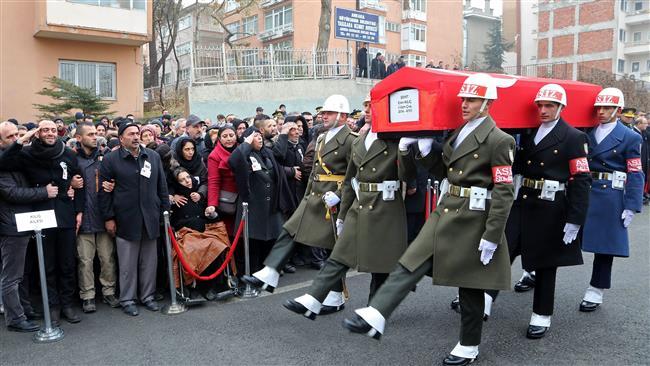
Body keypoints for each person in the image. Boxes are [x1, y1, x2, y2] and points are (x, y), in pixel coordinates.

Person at [343, 73, 516, 366]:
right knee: (412, 257)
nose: (464, 104)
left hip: (475, 216)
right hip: (447, 207)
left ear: (487, 103)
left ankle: (469, 344)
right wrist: (424, 153)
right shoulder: (458, 132)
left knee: (471, 284)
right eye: (464, 99)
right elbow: (445, 171)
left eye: (472, 100)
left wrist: (492, 234)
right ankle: (378, 311)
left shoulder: (500, 139)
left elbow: (504, 190)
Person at [480, 84, 592, 338]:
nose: (543, 110)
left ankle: (541, 315)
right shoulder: (529, 133)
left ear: (561, 108)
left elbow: (582, 179)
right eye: (540, 105)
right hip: (524, 200)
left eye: (549, 106)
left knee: (545, 264)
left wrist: (575, 219)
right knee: (502, 248)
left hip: (552, 206)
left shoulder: (574, 137)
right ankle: (485, 298)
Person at [284, 97, 408, 319]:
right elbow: (352, 179)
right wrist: (342, 215)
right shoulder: (360, 141)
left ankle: (375, 309)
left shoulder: (394, 140)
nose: (367, 110)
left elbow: (408, 176)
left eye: (372, 106)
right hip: (359, 205)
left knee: (380, 261)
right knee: (340, 253)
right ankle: (315, 297)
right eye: (366, 106)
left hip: (385, 205)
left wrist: (408, 150)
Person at [241, 95, 357, 312]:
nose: (323, 116)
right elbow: (314, 171)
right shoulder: (322, 138)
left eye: (329, 113)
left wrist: (341, 194)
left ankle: (335, 296)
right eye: (323, 112)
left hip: (333, 199)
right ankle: (271, 271)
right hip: (315, 196)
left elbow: (356, 173)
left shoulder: (352, 140)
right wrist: (307, 194)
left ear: (342, 116)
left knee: (334, 250)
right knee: (290, 229)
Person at [0, 120, 85, 326]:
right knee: (47, 264)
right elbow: (3, 164)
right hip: (40, 214)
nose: (50, 133)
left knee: (66, 262)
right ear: (38, 133)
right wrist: (21, 141)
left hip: (65, 214)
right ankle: (52, 306)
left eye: (53, 130)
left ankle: (67, 304)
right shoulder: (26, 154)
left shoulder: (68, 153)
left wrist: (79, 210)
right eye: (45, 130)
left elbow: (80, 180)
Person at [579, 88, 644, 313]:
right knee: (562, 233)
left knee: (604, 245)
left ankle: (596, 288)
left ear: (618, 110)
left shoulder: (630, 136)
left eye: (608, 108)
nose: (602, 112)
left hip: (610, 194)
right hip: (585, 188)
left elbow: (635, 171)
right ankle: (536, 272)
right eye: (600, 107)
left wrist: (632, 205)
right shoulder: (587, 131)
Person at [99, 122, 170, 316]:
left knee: (149, 261)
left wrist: (165, 211)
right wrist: (109, 217)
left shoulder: (152, 157)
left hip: (151, 217)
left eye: (137, 133)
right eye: (131, 134)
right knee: (127, 263)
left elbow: (161, 187)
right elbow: (103, 193)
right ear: (121, 138)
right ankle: (127, 299)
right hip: (126, 218)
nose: (136, 137)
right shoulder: (111, 159)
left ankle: (147, 296)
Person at [0, 121, 50, 332]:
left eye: (17, 135)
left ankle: (25, 309)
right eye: (10, 137)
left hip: (24, 223)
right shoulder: (2, 163)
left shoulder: (18, 159)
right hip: (11, 226)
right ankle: (15, 318)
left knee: (23, 273)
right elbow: (12, 193)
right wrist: (44, 192)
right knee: (11, 276)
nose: (16, 140)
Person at [228, 128, 296, 272]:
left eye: (260, 136)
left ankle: (269, 270)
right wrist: (246, 144)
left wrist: (283, 134)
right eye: (255, 136)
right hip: (253, 206)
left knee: (271, 239)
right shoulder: (244, 155)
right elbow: (234, 161)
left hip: (270, 205)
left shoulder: (267, 153)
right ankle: (253, 271)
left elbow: (280, 157)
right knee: (254, 242)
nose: (259, 139)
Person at [73, 123, 120, 313]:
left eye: (96, 133)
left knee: (107, 258)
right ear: (78, 138)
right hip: (83, 218)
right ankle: (88, 295)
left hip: (103, 216)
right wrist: (70, 182)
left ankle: (109, 291)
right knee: (85, 260)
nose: (95, 137)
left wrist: (114, 184)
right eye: (90, 134)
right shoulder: (72, 160)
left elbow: (118, 179)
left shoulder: (106, 159)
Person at [206, 125, 239, 235]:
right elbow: (213, 181)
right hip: (228, 199)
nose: (229, 139)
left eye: (231, 135)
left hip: (244, 195)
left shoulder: (242, 148)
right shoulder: (214, 155)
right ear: (219, 138)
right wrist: (212, 204)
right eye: (225, 136)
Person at [631, 116, 649, 204]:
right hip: (637, 161)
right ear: (639, 124)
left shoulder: (643, 133)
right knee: (637, 179)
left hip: (644, 160)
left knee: (643, 178)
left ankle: (641, 194)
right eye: (645, 123)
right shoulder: (634, 133)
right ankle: (637, 196)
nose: (647, 125)